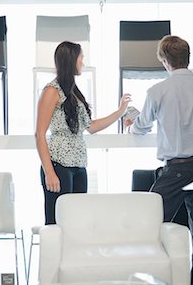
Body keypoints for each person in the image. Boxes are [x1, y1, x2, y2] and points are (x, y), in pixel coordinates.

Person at [124, 35, 193, 285]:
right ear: (187, 58)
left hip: (175, 171)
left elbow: (141, 127)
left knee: (148, 225)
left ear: (164, 60)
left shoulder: (157, 91)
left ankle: (149, 279)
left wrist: (130, 124)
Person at [35, 41, 131, 225]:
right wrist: (49, 172)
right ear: (71, 60)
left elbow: (91, 127)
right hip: (58, 166)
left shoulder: (74, 92)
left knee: (77, 223)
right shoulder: (51, 91)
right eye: (81, 58)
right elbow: (39, 134)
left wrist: (120, 112)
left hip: (79, 166)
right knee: (57, 223)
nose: (83, 63)